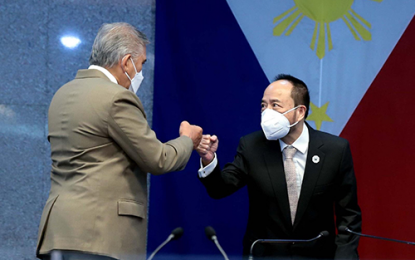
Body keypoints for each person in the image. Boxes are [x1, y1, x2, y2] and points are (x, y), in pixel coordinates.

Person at [36, 22, 202, 260]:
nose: (140, 72)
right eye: (141, 64)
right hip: (100, 234)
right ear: (126, 62)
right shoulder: (116, 98)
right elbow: (158, 159)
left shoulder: (62, 94)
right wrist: (187, 139)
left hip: (59, 233)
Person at [196, 74, 362, 259]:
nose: (267, 112)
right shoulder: (252, 146)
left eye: (275, 105)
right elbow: (220, 188)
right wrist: (208, 159)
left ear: (300, 112)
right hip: (265, 255)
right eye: (263, 105)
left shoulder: (335, 150)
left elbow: (349, 215)